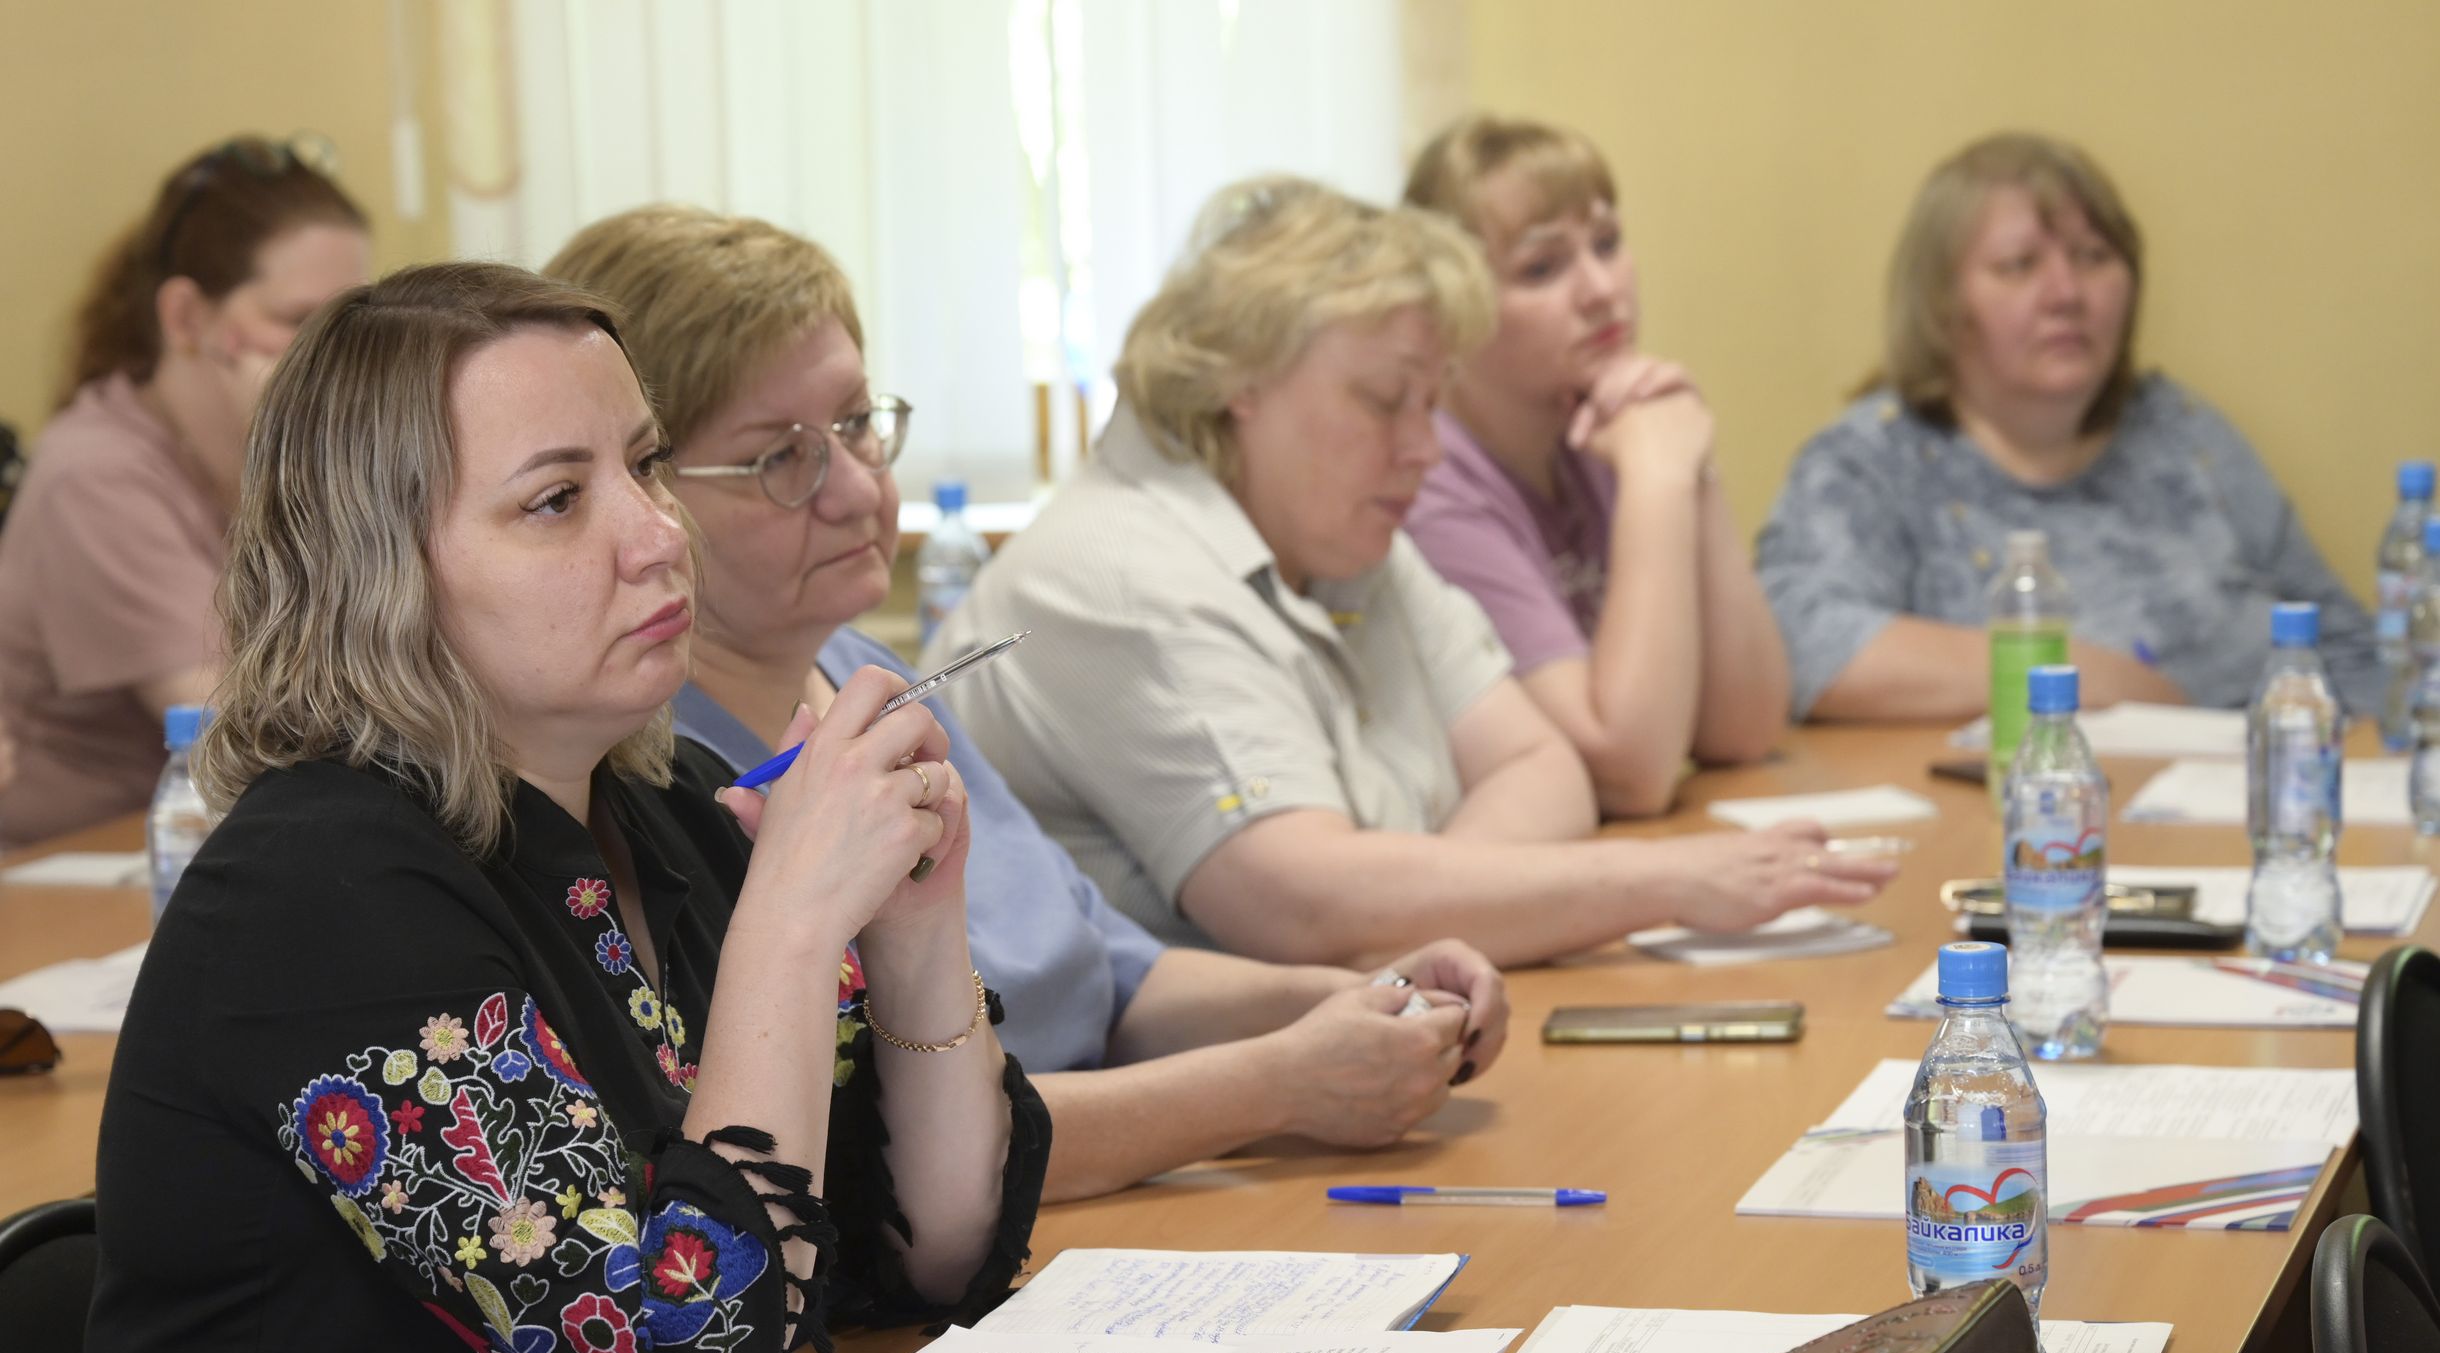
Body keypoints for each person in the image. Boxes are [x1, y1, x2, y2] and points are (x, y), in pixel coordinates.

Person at [6, 263, 1047, 1353]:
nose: (657, 535)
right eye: (557, 500)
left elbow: (920, 1254)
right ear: (381, 575)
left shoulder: (664, 810)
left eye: (647, 466)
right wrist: (793, 924)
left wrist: (911, 923)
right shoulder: (314, 890)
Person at [543, 205, 1508, 1202]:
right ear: (648, 489)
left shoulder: (863, 672)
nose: (857, 490)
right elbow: (899, 1151)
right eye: (779, 459)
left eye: (857, 424)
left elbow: (1113, 973)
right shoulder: (657, 783)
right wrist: (1281, 1082)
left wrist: (1372, 997)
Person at [931, 178, 1895, 972]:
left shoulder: (1343, 538)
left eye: (1432, 404)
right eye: (1387, 399)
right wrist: (1672, 881)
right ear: (1238, 382)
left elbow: (1544, 768)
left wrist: (1408, 904)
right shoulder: (1120, 575)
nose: (1424, 449)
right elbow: (1304, 904)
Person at [1754, 131, 2381, 721]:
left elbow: (2348, 652)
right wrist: (2082, 677)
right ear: (1941, 304)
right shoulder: (1873, 460)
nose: (2066, 294)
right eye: (2019, 265)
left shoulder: (2184, 432)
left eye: (2093, 257)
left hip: (2270, 787)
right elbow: (1797, 642)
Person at [1401, 115, 1787, 816]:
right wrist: (1659, 480)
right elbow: (1628, 771)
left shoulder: (1604, 424)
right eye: (1542, 269)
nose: (1602, 290)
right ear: (1451, 311)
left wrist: (1692, 469)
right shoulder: (1429, 486)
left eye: (1607, 244)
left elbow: (1746, 727)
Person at [0, 136, 373, 845]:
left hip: (229, 839)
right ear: (185, 318)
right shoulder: (94, 476)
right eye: (300, 322)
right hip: (79, 861)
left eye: (351, 323)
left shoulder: (255, 454)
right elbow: (253, 729)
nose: (335, 359)